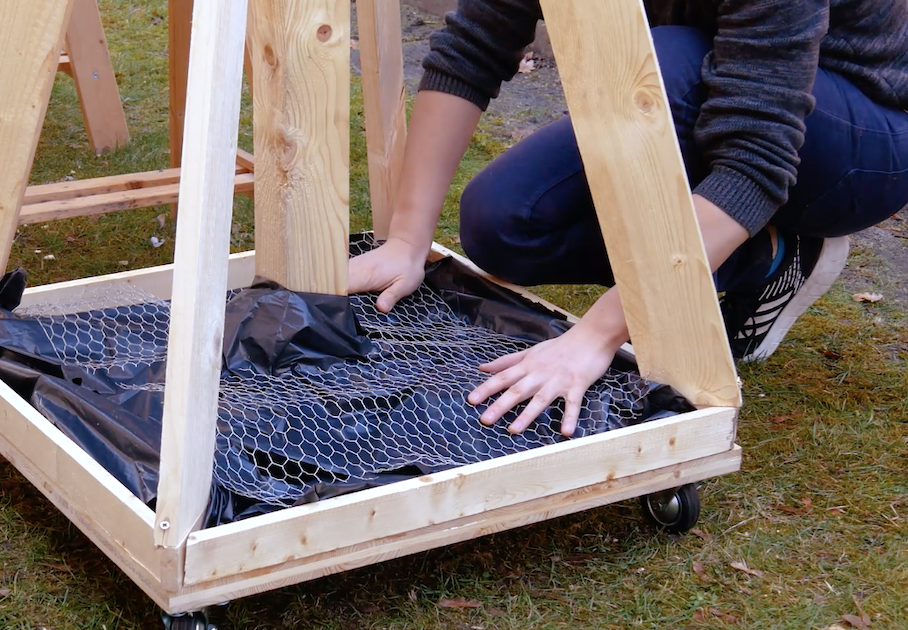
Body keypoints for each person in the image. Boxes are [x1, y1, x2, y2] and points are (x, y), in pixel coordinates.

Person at [349, 0, 908, 438]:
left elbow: (756, 160)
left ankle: (746, 230)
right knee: (502, 225)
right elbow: (473, 47)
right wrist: (406, 239)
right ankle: (762, 259)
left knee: (658, 63)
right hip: (700, 85)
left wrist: (593, 335)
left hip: (861, 134)